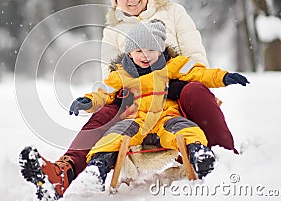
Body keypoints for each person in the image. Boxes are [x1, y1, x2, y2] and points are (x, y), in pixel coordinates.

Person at [19, 0, 239, 199]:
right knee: (105, 112)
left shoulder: (174, 13)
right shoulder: (113, 30)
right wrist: (96, 98)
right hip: (134, 103)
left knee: (195, 90)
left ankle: (223, 155)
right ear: (115, 1)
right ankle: (63, 172)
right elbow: (110, 79)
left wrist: (173, 83)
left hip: (177, 99)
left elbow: (197, 60)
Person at [69, 20, 248, 192]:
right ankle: (97, 168)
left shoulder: (174, 65)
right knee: (112, 137)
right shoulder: (121, 74)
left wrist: (223, 77)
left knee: (188, 130)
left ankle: (199, 154)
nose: (145, 55)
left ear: (161, 50)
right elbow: (104, 92)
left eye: (151, 50)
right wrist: (89, 101)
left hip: (166, 117)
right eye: (138, 50)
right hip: (135, 120)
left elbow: (199, 74)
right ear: (129, 53)